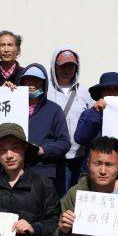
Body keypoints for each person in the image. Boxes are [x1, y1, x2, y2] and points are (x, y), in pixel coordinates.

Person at [14, 63, 71, 196]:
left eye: (37, 80)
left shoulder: (54, 110)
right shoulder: (12, 106)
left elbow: (64, 143)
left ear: (44, 84)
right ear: (21, 82)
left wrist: (42, 150)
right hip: (13, 172)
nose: (32, 83)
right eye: (28, 79)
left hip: (42, 171)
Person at [47, 47, 92, 192]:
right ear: (54, 67)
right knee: (61, 196)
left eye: (71, 66)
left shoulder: (84, 92)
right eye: (62, 66)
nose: (67, 70)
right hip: (57, 155)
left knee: (79, 196)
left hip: (80, 155)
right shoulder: (46, 91)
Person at [74, 72, 118, 171]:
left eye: (116, 90)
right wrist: (96, 113)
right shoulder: (89, 114)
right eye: (108, 90)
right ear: (101, 93)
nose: (112, 93)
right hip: (93, 172)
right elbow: (81, 138)